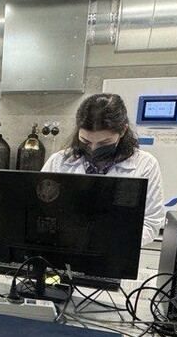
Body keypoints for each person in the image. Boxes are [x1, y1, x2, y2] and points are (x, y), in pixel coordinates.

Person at [42, 93, 165, 247]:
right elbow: (40, 210)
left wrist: (111, 242)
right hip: (65, 247)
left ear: (123, 130)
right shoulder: (59, 161)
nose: (93, 148)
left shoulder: (145, 164)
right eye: (86, 141)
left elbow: (151, 222)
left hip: (116, 251)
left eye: (104, 143)